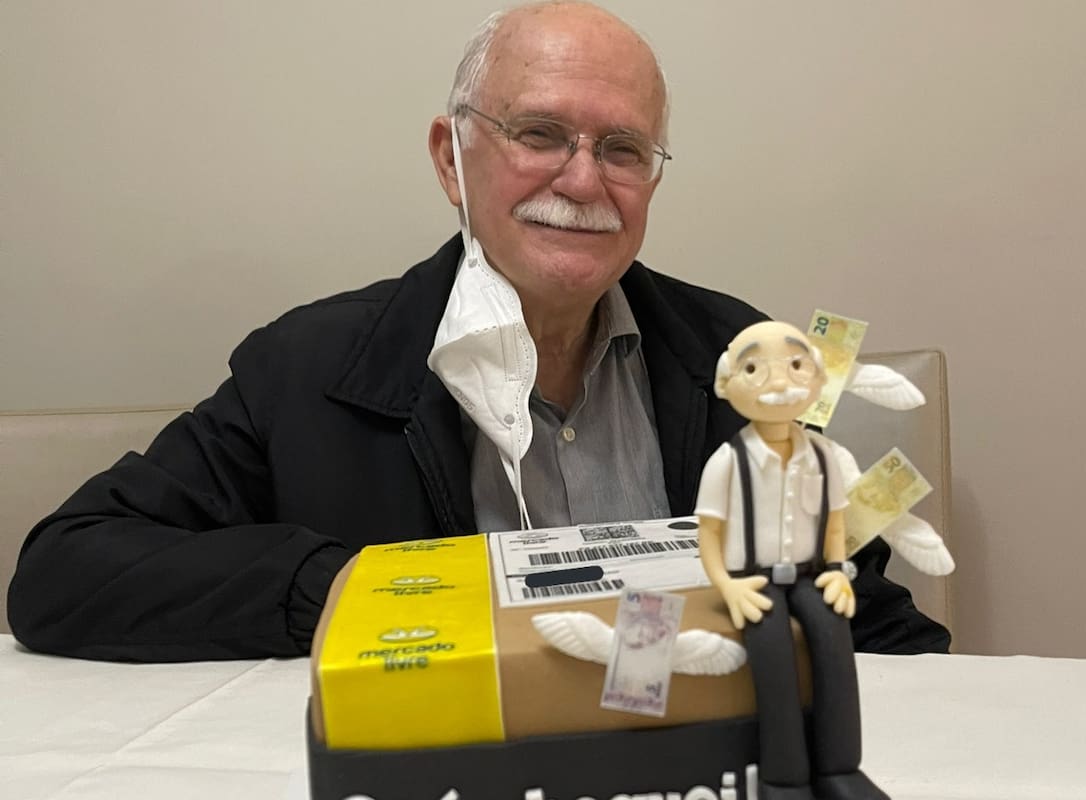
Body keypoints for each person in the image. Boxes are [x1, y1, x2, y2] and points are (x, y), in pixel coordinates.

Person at [6, 1, 949, 663]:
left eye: (622, 149)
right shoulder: (310, 368)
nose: (584, 182)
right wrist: (355, 592)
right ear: (452, 159)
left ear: (652, 180)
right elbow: (65, 572)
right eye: (539, 134)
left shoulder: (736, 357)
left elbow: (859, 610)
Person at [697, 320, 887, 800]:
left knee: (833, 642)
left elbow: (836, 523)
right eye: (755, 368)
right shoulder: (727, 461)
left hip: (812, 575)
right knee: (773, 658)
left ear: (819, 378)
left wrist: (840, 572)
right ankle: (785, 778)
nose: (779, 383)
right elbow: (708, 535)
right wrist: (727, 585)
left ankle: (840, 768)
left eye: (796, 365)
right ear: (726, 383)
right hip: (753, 582)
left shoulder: (824, 456)